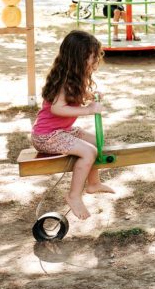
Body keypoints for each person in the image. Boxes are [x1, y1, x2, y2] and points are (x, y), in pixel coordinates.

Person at [31, 30, 112, 220]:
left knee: (97, 141)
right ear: (79, 57)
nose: (95, 62)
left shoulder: (74, 76)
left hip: (61, 131)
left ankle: (93, 184)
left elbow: (72, 98)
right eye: (92, 58)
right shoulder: (65, 81)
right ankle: (74, 196)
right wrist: (88, 110)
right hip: (47, 136)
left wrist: (89, 96)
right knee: (89, 151)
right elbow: (57, 109)